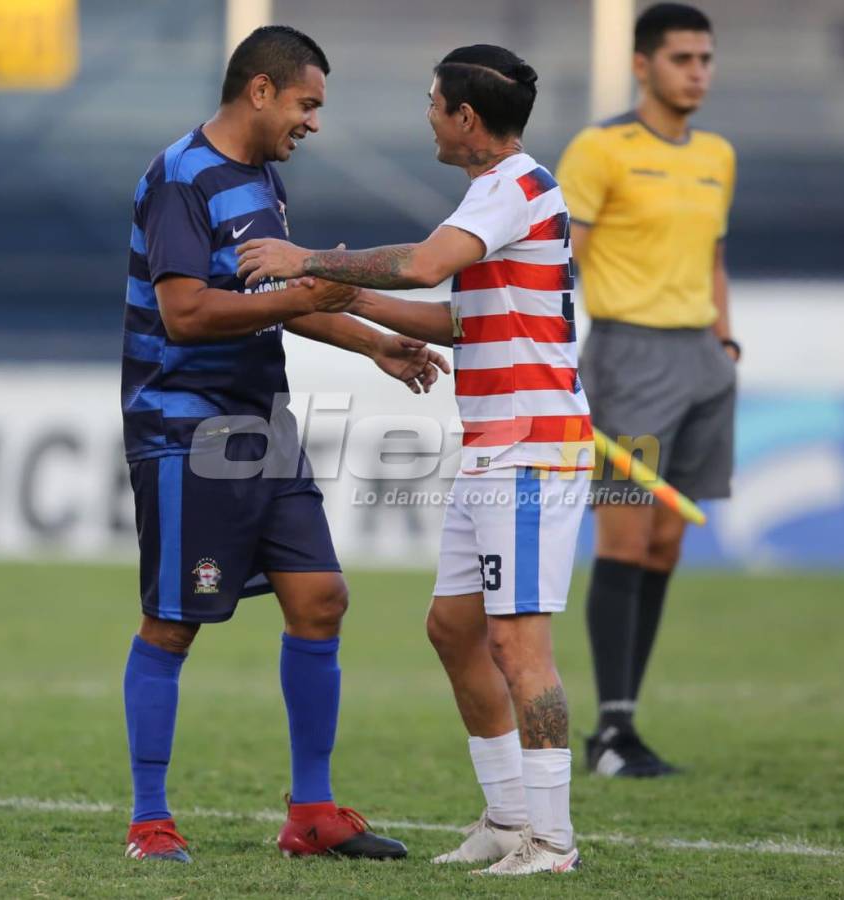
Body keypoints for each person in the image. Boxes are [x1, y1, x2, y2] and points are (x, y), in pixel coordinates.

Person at [237, 43, 590, 877]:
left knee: (518, 647)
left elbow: (427, 266)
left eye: (433, 103)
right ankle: (508, 820)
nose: (427, 115)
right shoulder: (497, 197)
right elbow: (465, 322)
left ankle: (552, 841)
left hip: (532, 452)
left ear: (465, 118)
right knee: (453, 630)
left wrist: (308, 260)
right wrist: (357, 302)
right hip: (494, 449)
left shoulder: (512, 188)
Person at [120, 25, 449, 863]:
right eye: (307, 104)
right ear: (259, 92)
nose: (314, 123)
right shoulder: (179, 179)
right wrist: (306, 289)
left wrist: (370, 342)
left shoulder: (259, 181)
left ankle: (310, 814)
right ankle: (149, 821)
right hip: (186, 427)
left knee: (322, 599)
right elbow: (185, 314)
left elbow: (281, 299)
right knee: (172, 624)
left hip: (263, 426)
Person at [554, 2, 738, 779]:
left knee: (666, 542)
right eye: (680, 59)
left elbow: (713, 256)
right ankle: (610, 733)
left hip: (701, 359)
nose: (696, 71)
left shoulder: (718, 154)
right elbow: (560, 263)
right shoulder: (599, 150)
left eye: (703, 58)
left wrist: (724, 342)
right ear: (642, 65)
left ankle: (624, 723)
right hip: (627, 357)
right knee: (624, 535)